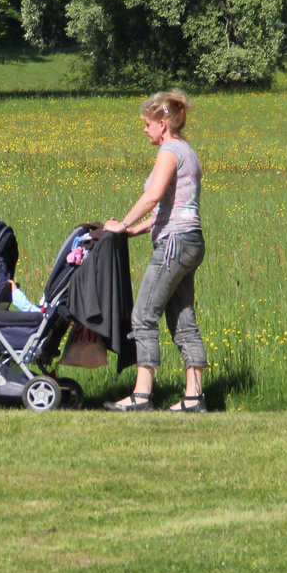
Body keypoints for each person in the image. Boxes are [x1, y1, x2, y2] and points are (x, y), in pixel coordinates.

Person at [102, 91, 208, 412]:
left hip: (174, 244)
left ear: (163, 124)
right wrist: (135, 230)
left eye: (147, 124)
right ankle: (194, 398)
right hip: (190, 241)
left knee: (143, 317)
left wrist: (122, 222)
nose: (144, 130)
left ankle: (142, 395)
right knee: (183, 321)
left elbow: (154, 196)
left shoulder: (168, 151)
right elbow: (172, 208)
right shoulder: (188, 151)